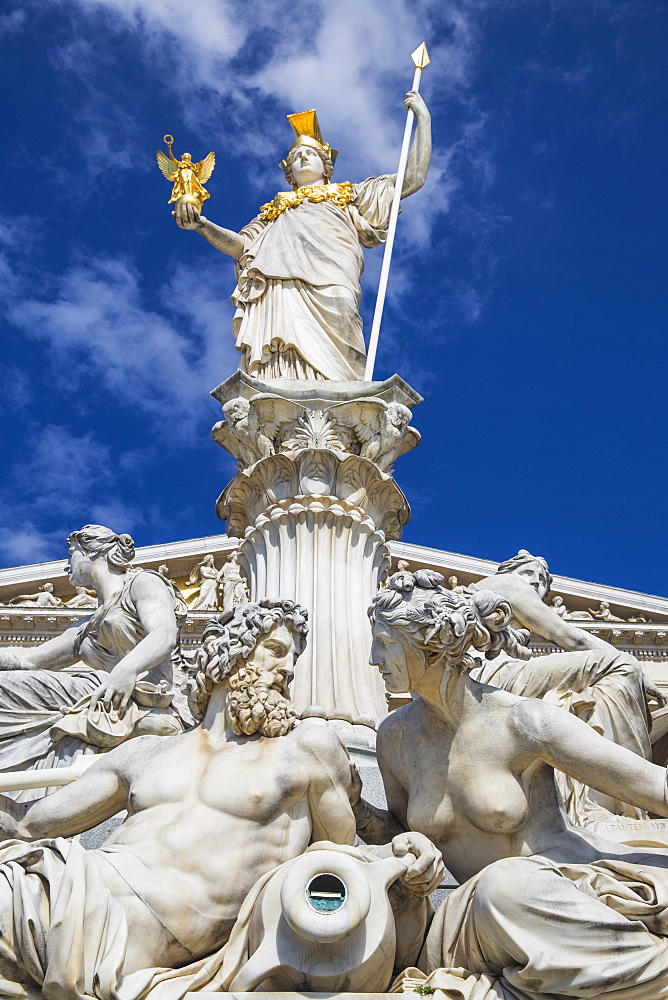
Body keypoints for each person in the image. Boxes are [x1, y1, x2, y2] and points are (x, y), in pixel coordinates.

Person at [0, 599, 441, 999]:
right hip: (71, 882)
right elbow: (30, 825)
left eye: (292, 659)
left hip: (128, 928)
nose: (288, 671)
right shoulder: (142, 753)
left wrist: (402, 858)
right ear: (229, 651)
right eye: (276, 650)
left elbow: (339, 864)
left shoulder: (305, 749)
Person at [352, 570, 668, 1000]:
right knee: (499, 887)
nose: (373, 658)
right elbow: (404, 834)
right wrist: (360, 811)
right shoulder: (395, 738)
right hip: (472, 920)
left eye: (386, 643)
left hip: (560, 888)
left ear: (433, 643)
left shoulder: (524, 722)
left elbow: (657, 789)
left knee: (509, 884)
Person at [173, 94, 431, 381]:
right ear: (289, 172)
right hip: (280, 284)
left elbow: (413, 177)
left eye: (310, 154)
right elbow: (242, 247)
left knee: (342, 311)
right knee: (282, 347)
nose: (303, 158)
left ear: (327, 166)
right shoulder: (274, 211)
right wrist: (202, 225)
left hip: (333, 273)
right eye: (296, 157)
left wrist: (424, 119)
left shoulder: (350, 195)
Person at [470, 549, 667, 842]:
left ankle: (607, 800)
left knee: (585, 698)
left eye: (542, 583)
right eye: (530, 574)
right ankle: (630, 799)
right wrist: (640, 674)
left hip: (486, 675)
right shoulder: (504, 584)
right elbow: (570, 637)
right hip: (492, 674)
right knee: (622, 666)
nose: (535, 586)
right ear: (510, 571)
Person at [0, 525, 190, 797]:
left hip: (150, 696)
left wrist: (127, 669)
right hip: (103, 694)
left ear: (95, 552)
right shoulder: (85, 626)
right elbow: (27, 663)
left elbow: (164, 633)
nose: (66, 566)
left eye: (71, 555)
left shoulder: (143, 583)